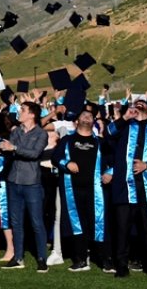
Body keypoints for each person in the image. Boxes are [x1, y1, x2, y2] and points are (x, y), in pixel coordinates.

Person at [104, 96, 147, 278]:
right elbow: (108, 133)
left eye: (143, 103)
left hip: (146, 186)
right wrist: (125, 117)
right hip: (124, 186)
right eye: (136, 103)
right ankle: (121, 264)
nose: (139, 104)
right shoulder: (125, 126)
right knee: (122, 227)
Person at [54, 106, 110, 273]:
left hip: (96, 190)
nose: (87, 117)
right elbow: (57, 158)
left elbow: (114, 160)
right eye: (83, 114)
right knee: (77, 224)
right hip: (73, 189)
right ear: (77, 121)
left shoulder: (100, 142)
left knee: (99, 223)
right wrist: (67, 163)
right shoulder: (67, 140)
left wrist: (110, 172)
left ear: (93, 122)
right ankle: (80, 260)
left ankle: (104, 259)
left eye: (90, 116)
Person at [0, 101, 51, 272]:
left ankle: (42, 258)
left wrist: (13, 147)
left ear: (32, 115)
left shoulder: (42, 134)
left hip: (31, 183)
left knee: (36, 222)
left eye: (23, 110)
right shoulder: (16, 131)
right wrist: (0, 148)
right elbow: (9, 151)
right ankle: (18, 257)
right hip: (14, 181)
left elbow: (34, 153)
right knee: (16, 222)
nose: (19, 112)